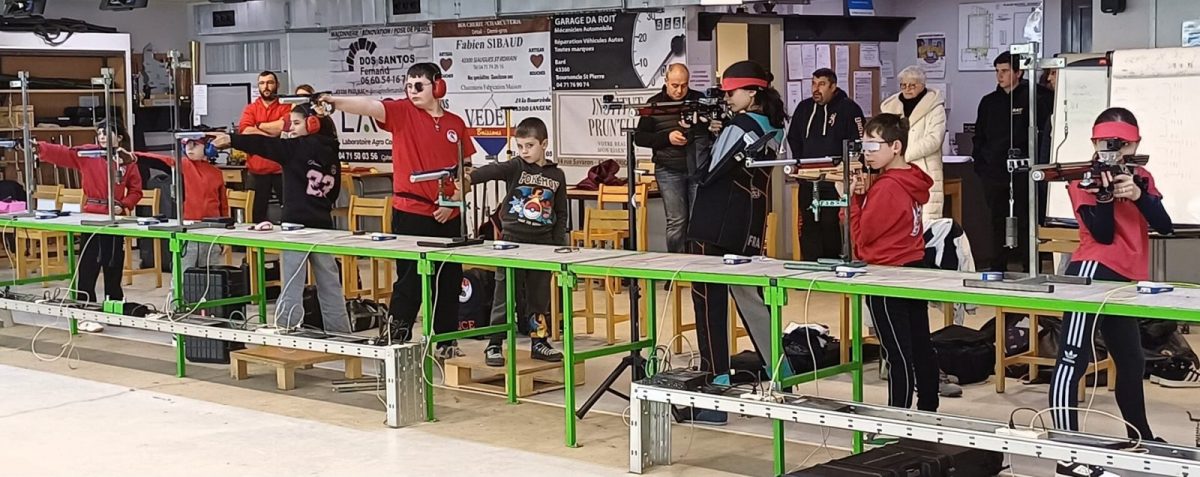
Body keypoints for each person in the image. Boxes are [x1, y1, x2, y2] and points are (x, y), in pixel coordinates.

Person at [318, 62, 474, 357]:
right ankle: (397, 338)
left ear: (438, 86)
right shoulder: (402, 112)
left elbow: (465, 170)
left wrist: (453, 199)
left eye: (419, 85)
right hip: (411, 211)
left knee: (448, 280)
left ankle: (446, 341)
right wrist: (334, 101)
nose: (412, 91)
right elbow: (369, 106)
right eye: (408, 85)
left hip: (448, 215)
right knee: (409, 280)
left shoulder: (455, 123)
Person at [1048, 108, 1172, 477]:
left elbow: (1164, 225)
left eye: (1123, 144)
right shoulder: (1082, 177)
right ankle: (1066, 451)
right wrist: (1104, 195)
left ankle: (1140, 437)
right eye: (1107, 143)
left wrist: (1138, 194)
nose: (1115, 150)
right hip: (1092, 271)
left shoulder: (1141, 176)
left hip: (1125, 278)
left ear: (1136, 144)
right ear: (1094, 143)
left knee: (1131, 361)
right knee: (1072, 359)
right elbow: (1102, 235)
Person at [683, 60, 790, 425]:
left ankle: (715, 394)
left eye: (732, 92)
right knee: (751, 300)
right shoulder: (774, 126)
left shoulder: (739, 125)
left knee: (708, 308)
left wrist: (702, 135)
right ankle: (783, 374)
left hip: (712, 225)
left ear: (753, 92)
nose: (727, 98)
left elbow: (707, 172)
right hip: (748, 224)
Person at [208, 105, 350, 333]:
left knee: (292, 281)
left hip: (295, 226)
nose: (290, 128)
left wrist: (232, 139)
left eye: (296, 123)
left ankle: (286, 329)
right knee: (330, 283)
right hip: (323, 226)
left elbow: (263, 144)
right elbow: (332, 194)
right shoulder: (332, 152)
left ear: (312, 124)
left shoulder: (295, 149)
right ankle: (341, 332)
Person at [849, 113, 938, 414]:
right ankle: (928, 406)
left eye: (873, 146)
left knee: (896, 351)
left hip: (886, 273)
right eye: (864, 146)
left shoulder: (887, 187)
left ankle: (897, 415)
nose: (867, 153)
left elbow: (861, 240)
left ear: (896, 146)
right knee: (920, 342)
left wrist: (852, 202)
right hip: (914, 265)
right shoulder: (910, 178)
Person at [464, 118, 567, 366]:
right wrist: (469, 178)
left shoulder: (557, 175)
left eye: (529, 146)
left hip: (543, 244)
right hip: (512, 240)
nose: (524, 151)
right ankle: (494, 344)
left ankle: (539, 341)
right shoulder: (516, 166)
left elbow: (561, 213)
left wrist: (557, 244)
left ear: (544, 144)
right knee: (504, 293)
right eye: (520, 146)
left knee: (539, 296)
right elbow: (493, 170)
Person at [32, 120, 143, 333]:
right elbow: (64, 153)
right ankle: (85, 311)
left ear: (119, 137)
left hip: (114, 217)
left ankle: (114, 307)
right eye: (99, 133)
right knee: (88, 266)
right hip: (91, 214)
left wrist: (124, 205)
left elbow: (136, 190)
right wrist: (40, 148)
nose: (102, 137)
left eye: (107, 133)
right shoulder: (88, 153)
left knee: (113, 265)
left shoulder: (126, 160)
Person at [971, 52, 1052, 272]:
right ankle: (998, 266)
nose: (1000, 76)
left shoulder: (1036, 98)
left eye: (1005, 71)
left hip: (1025, 173)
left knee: (1026, 220)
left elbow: (1044, 135)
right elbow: (979, 137)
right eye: (997, 71)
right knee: (997, 220)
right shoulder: (989, 102)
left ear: (1019, 72)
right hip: (995, 173)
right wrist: (982, 166)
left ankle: (1029, 267)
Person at [787, 68, 865, 261]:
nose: (816, 88)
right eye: (813, 84)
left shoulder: (849, 108)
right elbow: (793, 137)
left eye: (821, 84)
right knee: (808, 223)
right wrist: (801, 162)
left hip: (834, 178)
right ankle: (810, 264)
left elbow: (859, 140)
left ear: (833, 86)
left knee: (830, 223)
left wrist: (850, 169)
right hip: (809, 177)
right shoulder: (804, 108)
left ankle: (833, 263)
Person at [634, 63, 705, 253]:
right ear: (665, 81)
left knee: (699, 220)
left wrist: (694, 132)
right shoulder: (654, 104)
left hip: (698, 168)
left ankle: (699, 263)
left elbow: (711, 133)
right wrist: (667, 138)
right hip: (668, 169)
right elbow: (639, 138)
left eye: (684, 85)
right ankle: (676, 265)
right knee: (677, 221)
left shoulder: (700, 100)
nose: (679, 90)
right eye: (675, 85)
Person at [139, 137, 228, 269]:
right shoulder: (182, 165)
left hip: (212, 231)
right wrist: (134, 156)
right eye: (186, 144)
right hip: (188, 230)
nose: (189, 148)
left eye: (195, 144)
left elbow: (223, 206)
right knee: (183, 271)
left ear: (208, 147)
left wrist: (225, 234)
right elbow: (159, 160)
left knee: (211, 274)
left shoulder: (217, 173)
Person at [880, 66, 946, 223]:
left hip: (924, 167)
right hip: (895, 168)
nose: (907, 89)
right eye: (903, 85)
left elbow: (934, 139)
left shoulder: (935, 107)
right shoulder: (890, 107)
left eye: (912, 85)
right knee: (898, 219)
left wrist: (904, 155)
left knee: (926, 220)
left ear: (922, 85)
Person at [238, 70, 289, 224]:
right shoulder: (251, 108)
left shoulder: (286, 107)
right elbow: (245, 131)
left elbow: (283, 127)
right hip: (257, 170)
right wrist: (271, 136)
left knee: (289, 213)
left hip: (281, 169)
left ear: (277, 85)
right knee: (255, 215)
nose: (266, 86)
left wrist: (258, 126)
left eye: (270, 82)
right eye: (262, 83)